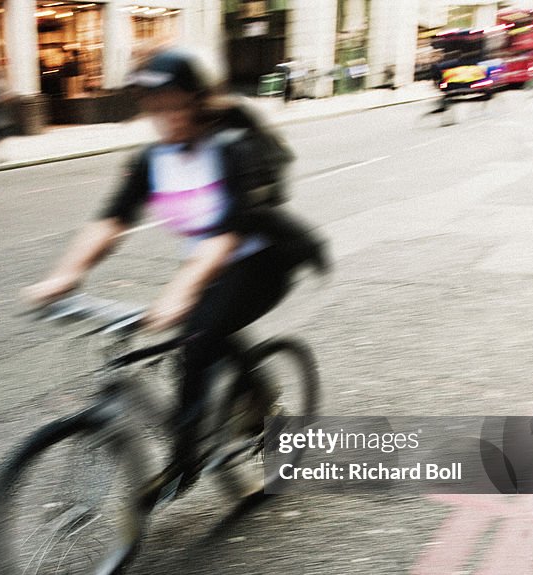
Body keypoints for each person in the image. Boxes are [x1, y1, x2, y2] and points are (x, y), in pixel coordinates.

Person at [22, 49, 327, 507]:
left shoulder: (231, 148)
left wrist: (180, 291)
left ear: (200, 100)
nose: (163, 115)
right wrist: (65, 276)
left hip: (263, 262)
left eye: (173, 102)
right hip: (210, 262)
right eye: (154, 104)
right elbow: (112, 220)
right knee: (205, 323)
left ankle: (184, 462)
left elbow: (228, 232)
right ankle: (248, 392)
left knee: (197, 339)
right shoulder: (154, 158)